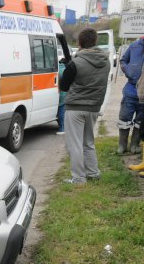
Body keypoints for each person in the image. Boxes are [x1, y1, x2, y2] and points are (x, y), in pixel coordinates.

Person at [59, 28, 111, 185]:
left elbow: (64, 86)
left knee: (74, 144)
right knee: (88, 142)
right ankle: (93, 172)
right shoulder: (106, 61)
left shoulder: (76, 63)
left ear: (79, 43)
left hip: (75, 107)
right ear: (95, 42)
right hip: (94, 107)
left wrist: (67, 69)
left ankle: (79, 179)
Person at [117, 36, 144, 154]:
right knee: (124, 118)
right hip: (131, 91)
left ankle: (134, 145)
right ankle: (122, 146)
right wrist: (128, 71)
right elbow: (123, 60)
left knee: (141, 121)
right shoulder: (134, 46)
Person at [56, 58, 68, 135]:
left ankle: (62, 128)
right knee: (61, 110)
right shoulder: (66, 70)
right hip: (64, 93)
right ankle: (62, 128)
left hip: (57, 93)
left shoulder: (57, 70)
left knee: (60, 110)